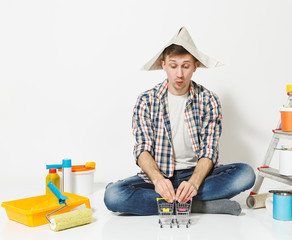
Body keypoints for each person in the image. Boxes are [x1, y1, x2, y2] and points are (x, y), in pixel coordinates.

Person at [104, 27, 255, 215]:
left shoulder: (209, 100)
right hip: (159, 177)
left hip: (197, 177)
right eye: (173, 66)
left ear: (195, 66)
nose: (179, 74)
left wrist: (193, 182)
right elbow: (142, 149)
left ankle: (173, 203)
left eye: (185, 66)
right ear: (164, 65)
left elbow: (209, 149)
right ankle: (197, 206)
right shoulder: (146, 100)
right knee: (113, 195)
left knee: (246, 174)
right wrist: (158, 180)